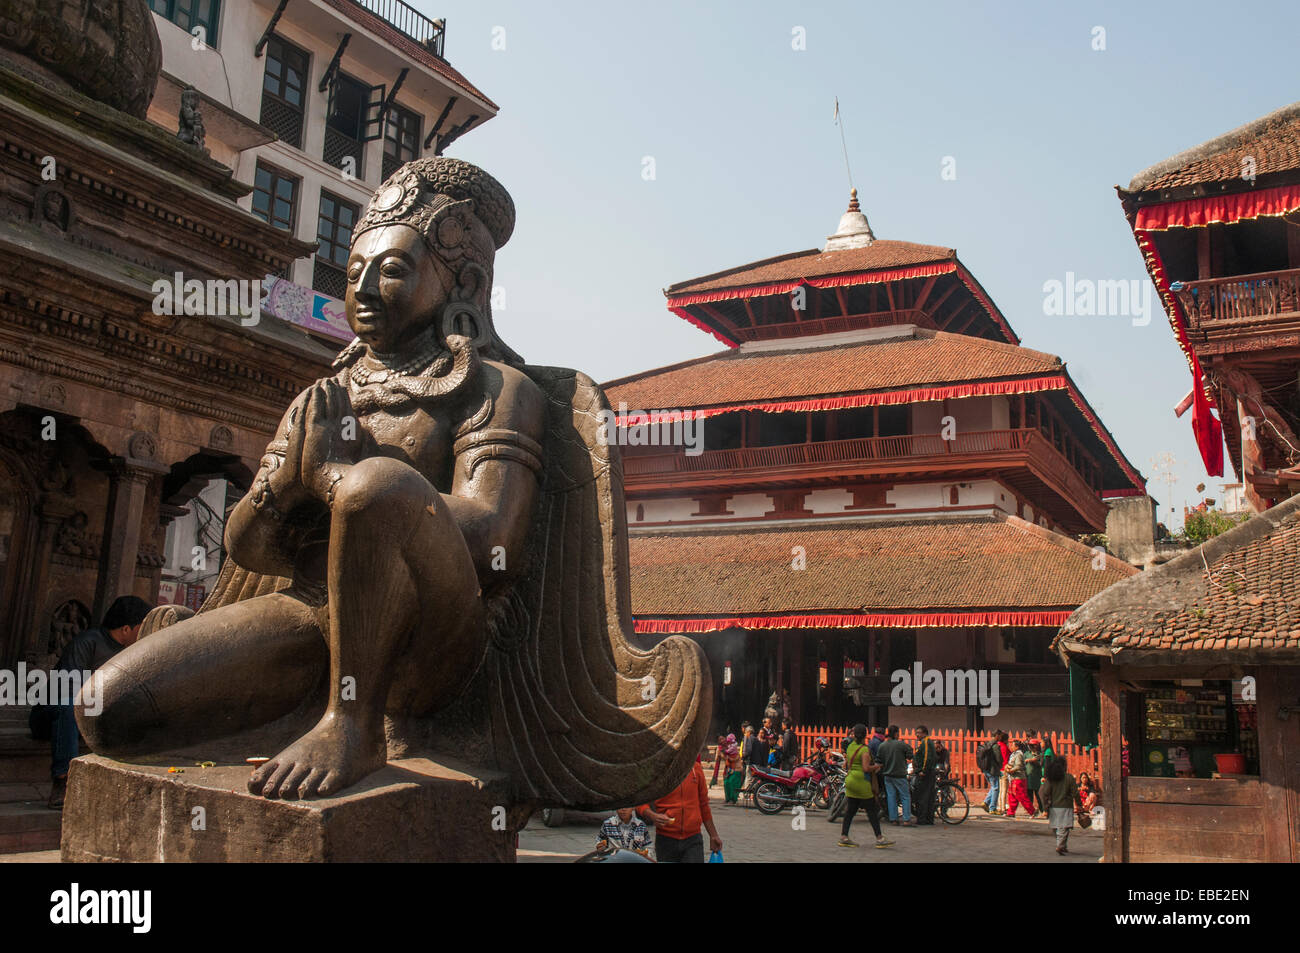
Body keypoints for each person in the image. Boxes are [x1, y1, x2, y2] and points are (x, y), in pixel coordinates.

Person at [44, 595, 151, 809]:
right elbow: (69, 689)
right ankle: (62, 780)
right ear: (126, 629)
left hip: (99, 717)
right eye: (141, 627)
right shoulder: (87, 643)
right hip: (56, 715)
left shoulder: (134, 652)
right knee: (67, 707)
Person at [639, 753, 723, 863]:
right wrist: (652, 815)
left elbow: (704, 805)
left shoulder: (696, 769)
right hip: (666, 839)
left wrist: (713, 835)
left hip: (693, 839)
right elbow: (640, 801)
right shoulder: (658, 771)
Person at [838, 723, 893, 849]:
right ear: (865, 735)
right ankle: (880, 838)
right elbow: (866, 768)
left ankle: (844, 836)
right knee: (871, 811)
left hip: (850, 780)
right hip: (861, 781)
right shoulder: (864, 750)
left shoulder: (851, 746)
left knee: (850, 810)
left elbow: (846, 762)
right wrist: (878, 766)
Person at [1039, 757, 1082, 855]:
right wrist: (1079, 804)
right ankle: (1060, 845)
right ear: (1064, 766)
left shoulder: (1051, 778)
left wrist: (1045, 807)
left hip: (1054, 806)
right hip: (1066, 806)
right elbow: (1075, 793)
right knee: (1064, 828)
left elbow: (1044, 792)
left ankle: (1062, 845)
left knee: (1056, 827)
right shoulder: (1069, 777)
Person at [876, 724, 913, 826]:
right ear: (896, 734)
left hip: (887, 775)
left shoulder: (882, 745)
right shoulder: (901, 745)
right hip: (900, 775)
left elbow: (878, 760)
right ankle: (906, 819)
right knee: (905, 796)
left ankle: (894, 819)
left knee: (891, 796)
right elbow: (910, 754)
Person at [911, 725, 938, 825]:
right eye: (916, 733)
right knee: (929, 797)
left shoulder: (926, 742)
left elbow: (927, 757)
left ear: (924, 733)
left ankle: (922, 819)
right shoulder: (926, 742)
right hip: (929, 773)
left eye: (919, 732)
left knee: (922, 797)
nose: (917, 735)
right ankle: (928, 819)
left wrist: (923, 771)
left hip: (925, 774)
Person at [1004, 739, 1034, 818]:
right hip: (1013, 778)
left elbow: (1019, 765)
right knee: (1012, 796)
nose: (1011, 746)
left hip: (1019, 778)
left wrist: (1010, 770)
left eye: (1013, 745)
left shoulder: (1019, 754)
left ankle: (1032, 811)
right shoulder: (1013, 754)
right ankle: (1011, 812)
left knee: (1021, 796)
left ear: (1017, 747)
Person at [980, 731, 1004, 815]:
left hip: (985, 769)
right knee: (996, 788)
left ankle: (986, 803)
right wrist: (1000, 765)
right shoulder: (995, 746)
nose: (1001, 738)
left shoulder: (987, 744)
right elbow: (999, 759)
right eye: (1000, 736)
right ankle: (992, 808)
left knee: (993, 787)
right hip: (993, 770)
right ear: (997, 735)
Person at [721, 735, 744, 805]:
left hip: (736, 770)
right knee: (726, 782)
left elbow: (733, 759)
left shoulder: (735, 752)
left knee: (732, 783)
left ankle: (733, 799)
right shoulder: (727, 749)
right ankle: (727, 798)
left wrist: (727, 756)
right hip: (729, 770)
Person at [1024, 739, 1043, 818]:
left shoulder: (1040, 754)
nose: (1032, 747)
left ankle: (1042, 810)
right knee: (1029, 795)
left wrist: (1034, 761)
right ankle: (1030, 811)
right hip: (1028, 777)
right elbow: (1023, 761)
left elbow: (1041, 763)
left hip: (1037, 778)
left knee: (1039, 795)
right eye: (1031, 746)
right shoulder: (1026, 754)